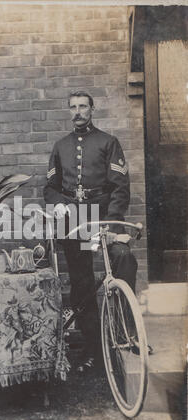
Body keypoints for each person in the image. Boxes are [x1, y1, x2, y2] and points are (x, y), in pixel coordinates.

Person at [43, 90, 138, 373]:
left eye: (83, 106)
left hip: (103, 216)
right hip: (76, 220)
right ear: (68, 111)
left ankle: (125, 332)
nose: (78, 111)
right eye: (72, 107)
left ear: (92, 109)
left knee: (122, 257)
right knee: (81, 282)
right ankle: (94, 347)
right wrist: (59, 205)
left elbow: (120, 188)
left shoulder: (108, 143)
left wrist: (110, 224)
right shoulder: (61, 147)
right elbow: (50, 187)